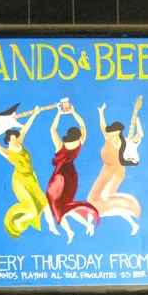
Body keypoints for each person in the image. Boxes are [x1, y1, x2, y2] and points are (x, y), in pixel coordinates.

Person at [0, 105, 59, 239]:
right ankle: (17, 221)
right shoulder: (7, 152)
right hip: (20, 182)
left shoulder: (19, 143)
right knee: (32, 210)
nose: (14, 141)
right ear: (8, 142)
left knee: (45, 203)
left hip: (31, 178)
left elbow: (26, 128)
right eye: (12, 140)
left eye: (15, 139)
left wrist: (35, 113)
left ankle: (52, 227)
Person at [46, 102, 100, 244]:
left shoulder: (60, 145)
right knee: (66, 205)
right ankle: (85, 226)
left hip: (59, 177)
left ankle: (71, 231)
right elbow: (83, 126)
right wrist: (73, 112)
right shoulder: (80, 142)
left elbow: (52, 129)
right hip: (72, 176)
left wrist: (59, 113)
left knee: (56, 204)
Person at [87, 101, 143, 235]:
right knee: (92, 198)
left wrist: (138, 118)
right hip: (105, 170)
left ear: (119, 132)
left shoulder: (125, 142)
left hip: (116, 172)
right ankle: (88, 225)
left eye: (114, 132)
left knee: (104, 200)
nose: (112, 134)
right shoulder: (109, 138)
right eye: (111, 132)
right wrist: (101, 113)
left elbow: (139, 135)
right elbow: (102, 127)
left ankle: (132, 223)